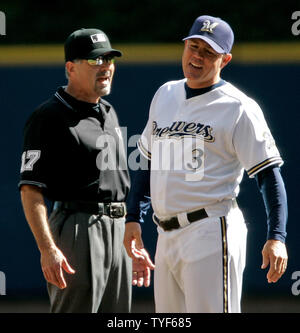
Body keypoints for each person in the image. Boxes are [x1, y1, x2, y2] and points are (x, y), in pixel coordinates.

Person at [124, 15, 288, 313]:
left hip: (210, 230)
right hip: (165, 235)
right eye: (193, 46)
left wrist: (276, 237)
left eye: (208, 52)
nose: (197, 56)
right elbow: (147, 163)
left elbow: (268, 176)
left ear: (225, 60)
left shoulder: (239, 107)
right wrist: (134, 215)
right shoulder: (166, 93)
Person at [19, 28, 133, 313]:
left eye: (109, 59)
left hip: (118, 230)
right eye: (95, 60)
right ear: (71, 68)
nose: (105, 66)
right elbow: (31, 189)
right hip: (78, 228)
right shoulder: (49, 116)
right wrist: (47, 249)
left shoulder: (108, 112)